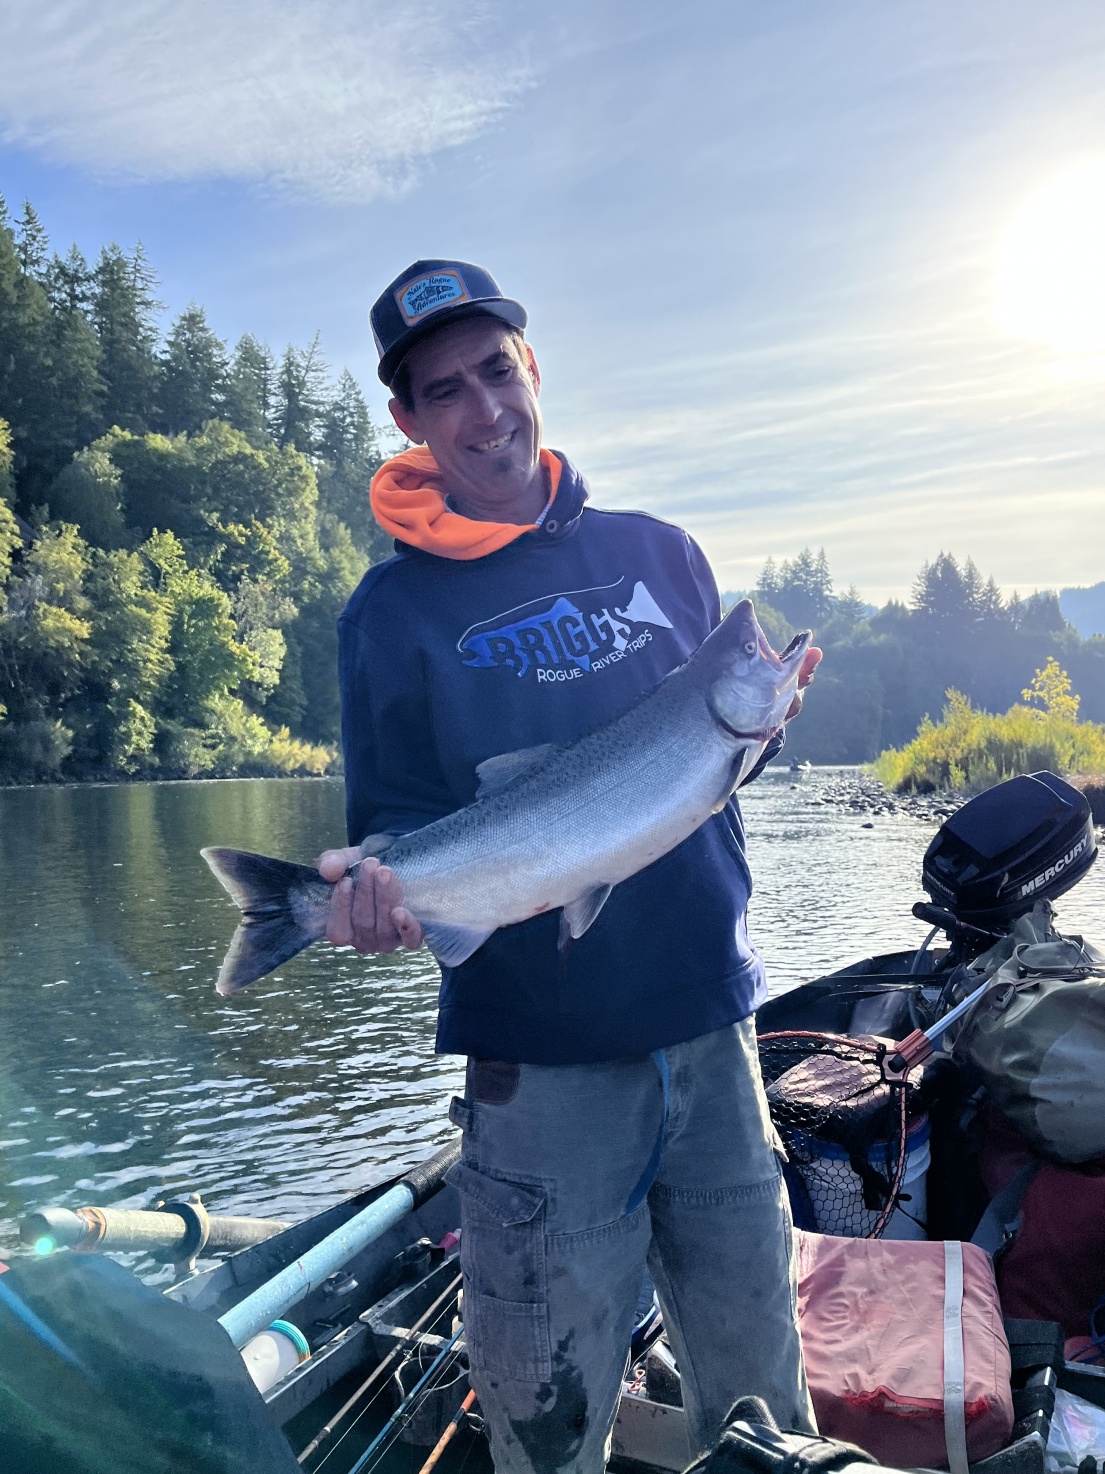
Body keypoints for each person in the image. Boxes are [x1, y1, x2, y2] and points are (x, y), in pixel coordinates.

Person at [319, 259, 821, 1474]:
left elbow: (705, 772)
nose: (484, 408)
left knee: (764, 1399)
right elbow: (393, 823)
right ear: (409, 423)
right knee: (548, 1434)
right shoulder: (388, 614)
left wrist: (752, 732)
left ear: (532, 370)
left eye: (498, 369)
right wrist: (369, 894)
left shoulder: (663, 553)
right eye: (444, 391)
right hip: (536, 1081)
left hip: (711, 1032)